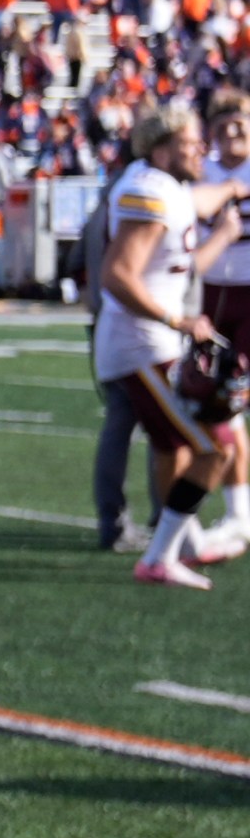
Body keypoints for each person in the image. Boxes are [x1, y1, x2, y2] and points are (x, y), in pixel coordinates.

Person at [96, 105, 248, 588]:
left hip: (153, 341)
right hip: (140, 344)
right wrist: (176, 318)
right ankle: (160, 557)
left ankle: (184, 544)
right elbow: (117, 276)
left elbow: (199, 209)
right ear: (162, 148)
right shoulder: (148, 191)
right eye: (191, 141)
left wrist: (229, 199)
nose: (201, 148)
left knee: (171, 448)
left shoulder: (168, 187)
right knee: (212, 450)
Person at [194, 87, 250, 541]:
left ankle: (239, 513)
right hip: (209, 296)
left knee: (233, 397)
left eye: (240, 124)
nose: (232, 132)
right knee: (216, 405)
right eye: (223, 125)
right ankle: (237, 512)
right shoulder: (201, 173)